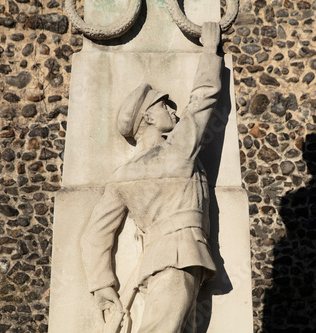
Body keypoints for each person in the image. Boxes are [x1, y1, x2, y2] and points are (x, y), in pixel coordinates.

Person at [81, 22, 223, 332]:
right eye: (164, 105)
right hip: (181, 256)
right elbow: (202, 102)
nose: (173, 110)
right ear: (147, 118)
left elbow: (95, 236)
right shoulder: (176, 151)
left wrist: (104, 288)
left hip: (161, 260)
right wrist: (210, 52)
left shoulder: (121, 177)